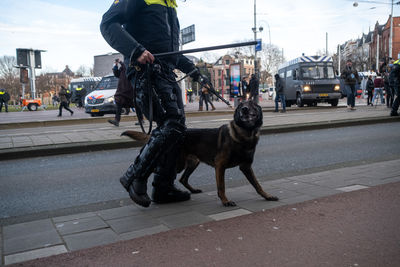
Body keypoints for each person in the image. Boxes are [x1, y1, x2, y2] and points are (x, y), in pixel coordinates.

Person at [100, 0, 205, 207]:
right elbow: (107, 24)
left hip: (166, 73)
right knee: (172, 123)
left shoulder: (171, 5)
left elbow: (169, 52)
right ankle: (134, 175)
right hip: (146, 72)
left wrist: (193, 71)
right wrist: (136, 50)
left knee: (177, 128)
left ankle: (163, 187)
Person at [108, 58, 144, 127]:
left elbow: (126, 67)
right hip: (122, 88)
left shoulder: (131, 65)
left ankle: (141, 120)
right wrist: (115, 66)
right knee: (119, 102)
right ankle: (116, 120)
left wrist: (120, 62)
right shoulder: (123, 67)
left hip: (130, 88)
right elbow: (117, 74)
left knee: (135, 104)